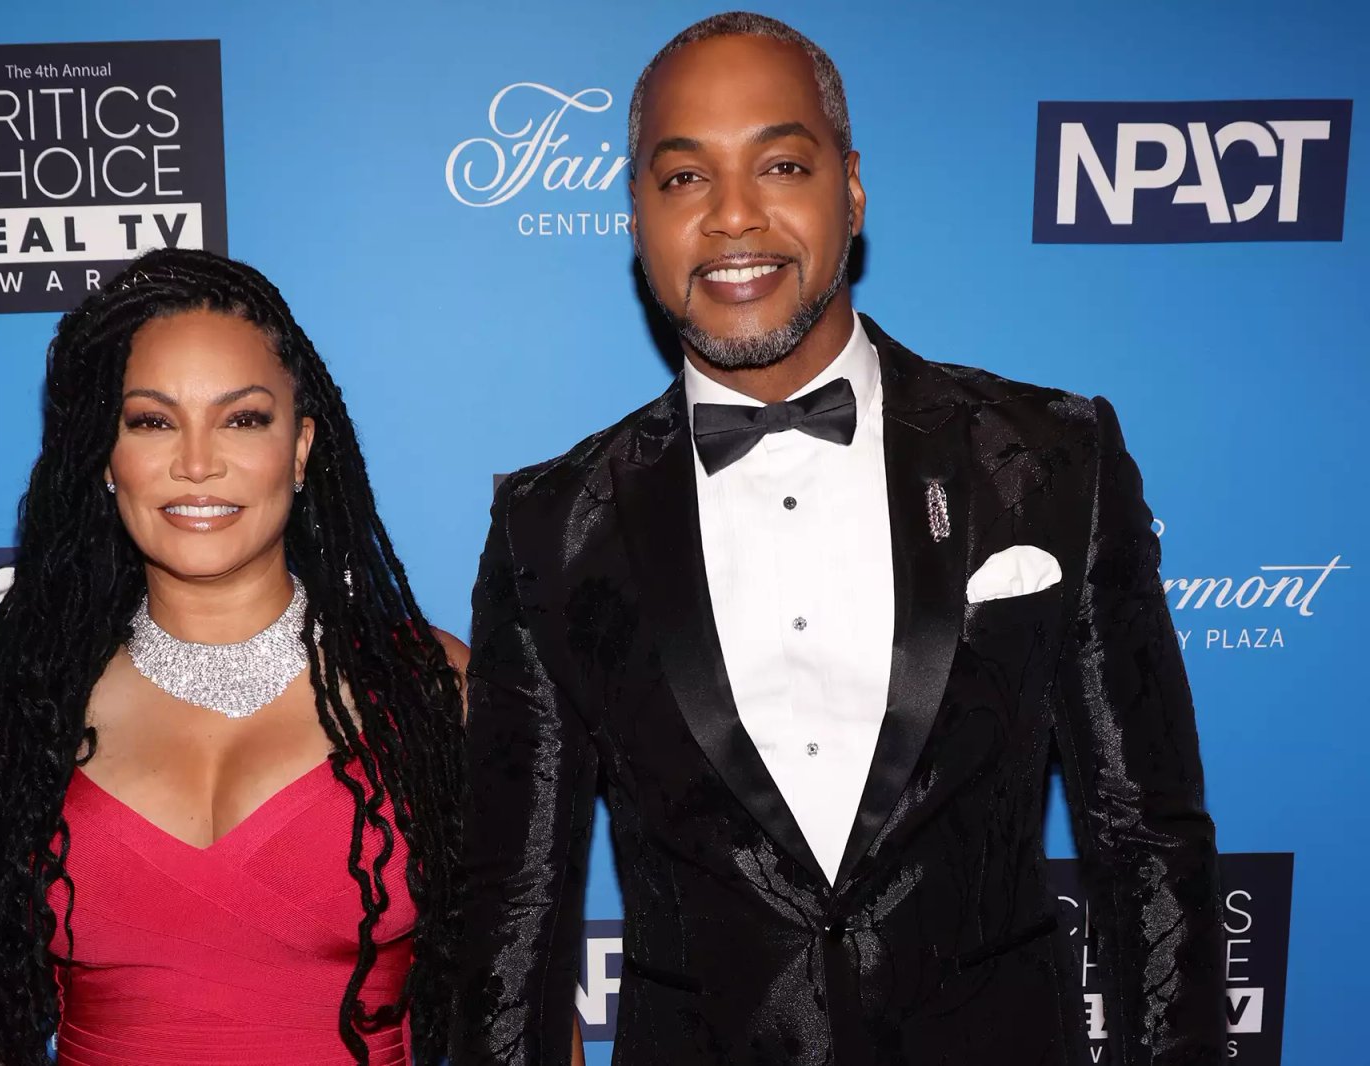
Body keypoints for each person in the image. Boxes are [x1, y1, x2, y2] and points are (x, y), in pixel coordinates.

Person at [453, 11, 1225, 1065]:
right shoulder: (552, 523)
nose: (731, 215)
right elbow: (515, 910)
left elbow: (1148, 847)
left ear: (849, 190)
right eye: (682, 178)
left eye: (778, 164)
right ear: (636, 213)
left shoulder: (1047, 460)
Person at [0, 248, 467, 1065]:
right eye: (152, 421)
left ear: (303, 444)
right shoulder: (34, 702)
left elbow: (522, 1003)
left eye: (243, 418)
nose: (197, 462)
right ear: (104, 455)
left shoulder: (432, 691)